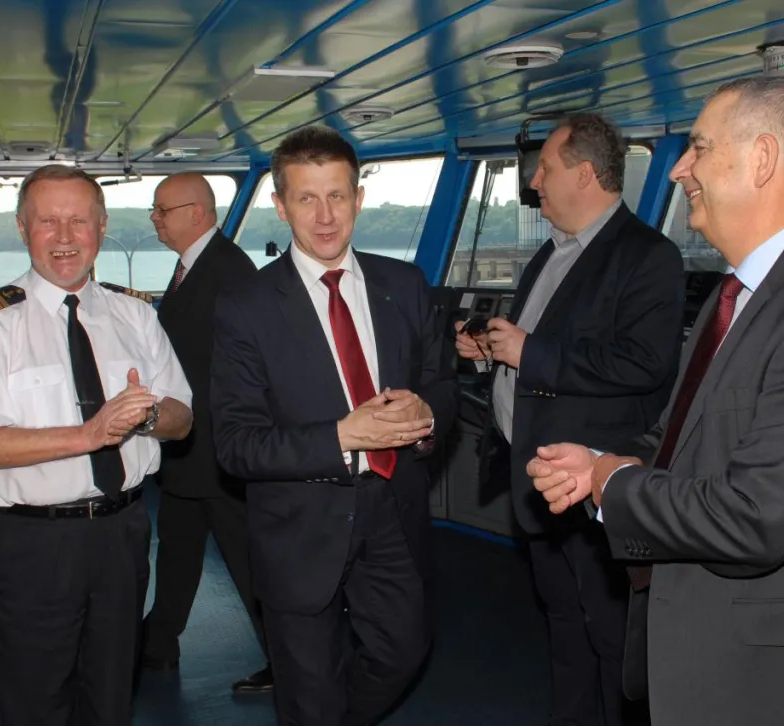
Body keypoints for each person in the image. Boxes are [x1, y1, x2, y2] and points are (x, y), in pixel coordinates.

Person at [529, 76, 784, 726]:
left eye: (699, 147)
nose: (679, 169)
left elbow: (758, 517)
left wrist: (613, 483)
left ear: (762, 159)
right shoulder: (736, 297)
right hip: (718, 657)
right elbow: (677, 439)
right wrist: (599, 460)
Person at [211, 125, 458, 726]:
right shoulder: (245, 308)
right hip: (299, 524)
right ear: (280, 205)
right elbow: (237, 445)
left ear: (358, 199)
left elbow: (442, 384)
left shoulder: (404, 285)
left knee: (404, 651)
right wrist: (342, 436)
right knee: (308, 693)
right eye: (306, 198)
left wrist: (426, 415)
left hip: (391, 509)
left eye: (337, 196)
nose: (325, 217)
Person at [0, 164, 194, 726]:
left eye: (79, 220)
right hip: (31, 542)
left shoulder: (135, 314)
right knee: (35, 699)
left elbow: (182, 420)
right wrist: (90, 434)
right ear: (22, 229)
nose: (65, 237)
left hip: (122, 534)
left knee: (111, 694)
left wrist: (146, 415)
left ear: (102, 227)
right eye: (48, 221)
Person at [455, 113, 682, 726]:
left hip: (593, 483)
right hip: (537, 477)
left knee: (609, 635)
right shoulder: (551, 253)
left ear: (584, 174)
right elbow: (532, 349)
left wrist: (528, 352)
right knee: (563, 624)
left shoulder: (647, 256)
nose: (534, 183)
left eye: (546, 170)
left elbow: (644, 364)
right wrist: (490, 352)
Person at [140, 172, 271, 693]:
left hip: (219, 451)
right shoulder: (192, 267)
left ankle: (289, 659)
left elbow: (245, 371)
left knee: (247, 560)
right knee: (177, 546)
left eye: (162, 209)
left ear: (197, 213)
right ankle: (158, 643)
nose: (155, 218)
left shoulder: (229, 272)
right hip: (189, 449)